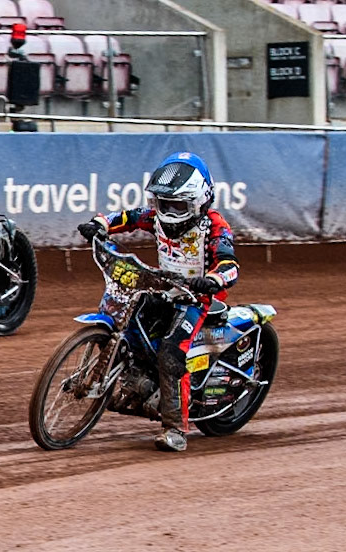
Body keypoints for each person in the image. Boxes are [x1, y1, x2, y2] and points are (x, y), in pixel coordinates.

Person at [76, 153, 239, 453]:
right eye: (163, 203)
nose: (168, 211)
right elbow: (127, 217)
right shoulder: (155, 217)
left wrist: (214, 280)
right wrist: (99, 224)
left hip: (195, 298)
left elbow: (230, 264)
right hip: (162, 288)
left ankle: (176, 428)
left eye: (177, 205)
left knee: (170, 353)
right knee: (127, 324)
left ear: (198, 201)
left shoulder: (215, 228)